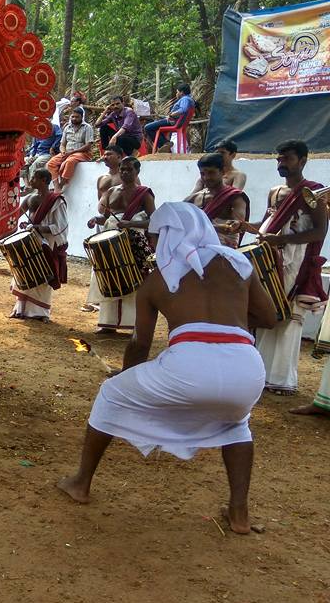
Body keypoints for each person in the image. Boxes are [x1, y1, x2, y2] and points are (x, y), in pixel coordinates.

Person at [58, 202, 277, 534]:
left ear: (168, 237)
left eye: (155, 238)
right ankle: (239, 515)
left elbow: (139, 344)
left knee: (111, 395)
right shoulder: (238, 264)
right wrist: (228, 323)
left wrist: (128, 375)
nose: (154, 246)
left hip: (188, 366)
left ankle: (80, 483)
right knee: (237, 424)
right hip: (246, 368)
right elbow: (269, 318)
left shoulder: (157, 280)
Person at [236, 140, 327, 395]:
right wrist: (245, 226)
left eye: (287, 158)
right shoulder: (275, 192)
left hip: (296, 263)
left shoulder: (314, 193)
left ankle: (283, 380)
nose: (281, 163)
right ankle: (260, 373)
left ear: (303, 160)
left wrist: (283, 240)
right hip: (270, 259)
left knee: (289, 317)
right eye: (279, 158)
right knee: (267, 311)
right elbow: (267, 224)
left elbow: (319, 231)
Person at [87, 156, 155, 333]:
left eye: (129, 169)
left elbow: (153, 221)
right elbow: (107, 217)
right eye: (122, 169)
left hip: (132, 241)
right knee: (109, 277)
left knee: (132, 278)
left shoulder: (145, 193)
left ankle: (131, 324)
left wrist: (131, 224)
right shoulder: (110, 192)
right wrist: (96, 219)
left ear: (137, 172)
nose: (124, 173)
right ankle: (107, 324)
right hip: (111, 240)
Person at [10, 169, 68, 321]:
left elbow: (61, 225)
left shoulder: (56, 200)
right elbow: (16, 215)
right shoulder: (30, 198)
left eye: (34, 177)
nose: (31, 180)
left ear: (44, 180)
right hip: (30, 240)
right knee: (24, 271)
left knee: (43, 274)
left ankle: (41, 313)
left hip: (47, 242)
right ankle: (20, 309)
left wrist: (38, 227)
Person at [82, 145, 123, 313]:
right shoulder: (102, 178)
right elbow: (102, 203)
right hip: (105, 223)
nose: (105, 157)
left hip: (120, 224)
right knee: (99, 261)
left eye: (110, 154)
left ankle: (115, 297)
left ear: (120, 156)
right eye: (104, 154)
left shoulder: (127, 176)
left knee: (116, 260)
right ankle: (98, 299)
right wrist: (99, 219)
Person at [185, 153, 249, 248]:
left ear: (223, 172)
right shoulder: (193, 199)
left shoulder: (234, 197)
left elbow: (236, 227)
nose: (206, 178)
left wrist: (233, 226)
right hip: (195, 254)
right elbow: (180, 225)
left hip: (224, 256)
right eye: (203, 174)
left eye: (211, 173)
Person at [46, 108, 94, 192]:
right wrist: (63, 151)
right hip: (67, 152)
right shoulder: (67, 127)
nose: (74, 119)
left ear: (82, 117)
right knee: (51, 163)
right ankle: (56, 185)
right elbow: (62, 144)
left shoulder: (87, 127)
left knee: (69, 161)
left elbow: (88, 145)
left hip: (82, 153)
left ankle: (61, 185)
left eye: (77, 117)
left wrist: (72, 152)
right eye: (72, 117)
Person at [144, 83, 194, 153]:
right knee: (155, 124)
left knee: (147, 127)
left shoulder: (185, 99)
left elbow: (183, 109)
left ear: (182, 92)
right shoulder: (190, 99)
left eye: (177, 92)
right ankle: (165, 144)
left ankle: (165, 144)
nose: (176, 94)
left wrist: (171, 115)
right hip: (178, 122)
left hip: (174, 122)